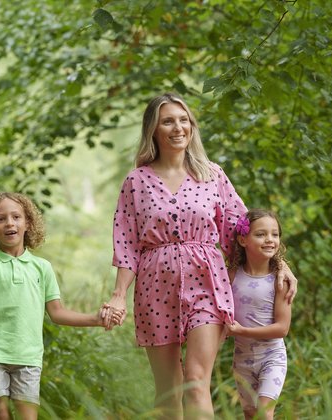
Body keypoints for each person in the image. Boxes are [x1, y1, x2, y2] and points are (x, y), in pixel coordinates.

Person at [102, 93, 298, 419]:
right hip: (154, 287)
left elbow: (247, 231)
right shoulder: (136, 181)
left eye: (184, 120)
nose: (177, 127)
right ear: (153, 129)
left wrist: (281, 265)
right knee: (168, 391)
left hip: (207, 285)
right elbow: (126, 244)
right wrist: (118, 295)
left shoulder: (212, 175)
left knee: (195, 382)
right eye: (168, 121)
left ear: (192, 127)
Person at [0, 192, 113, 420]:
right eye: (0, 219)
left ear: (27, 223)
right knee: (1, 416)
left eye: (16, 217)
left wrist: (95, 319)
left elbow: (57, 312)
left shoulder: (42, 267)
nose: (9, 223)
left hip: (28, 356)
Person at [226, 209, 292, 420]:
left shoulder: (279, 280)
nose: (270, 240)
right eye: (261, 234)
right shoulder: (232, 275)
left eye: (275, 234)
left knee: (264, 413)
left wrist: (242, 330)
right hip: (242, 359)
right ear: (243, 239)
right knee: (250, 415)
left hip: (271, 357)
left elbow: (282, 328)